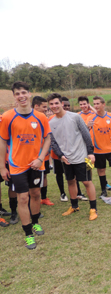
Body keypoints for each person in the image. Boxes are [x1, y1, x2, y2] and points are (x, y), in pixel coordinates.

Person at [0, 82, 51, 250]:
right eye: (17, 94)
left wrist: (40, 158)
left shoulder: (41, 117)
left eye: (23, 92)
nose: (21, 96)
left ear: (29, 94)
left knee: (36, 194)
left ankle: (35, 223)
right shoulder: (7, 117)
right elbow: (2, 141)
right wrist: (2, 166)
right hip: (17, 166)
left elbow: (47, 138)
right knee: (23, 198)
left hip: (36, 165)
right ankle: (28, 233)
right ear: (14, 96)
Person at [47, 93, 98, 220]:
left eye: (56, 103)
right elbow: (53, 142)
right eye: (51, 104)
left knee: (87, 181)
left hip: (82, 156)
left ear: (62, 104)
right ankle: (74, 206)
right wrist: (60, 155)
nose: (54, 106)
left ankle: (93, 209)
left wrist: (90, 152)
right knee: (70, 181)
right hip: (66, 158)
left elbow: (86, 135)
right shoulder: (51, 122)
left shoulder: (75, 117)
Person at [32, 96, 54, 207]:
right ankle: (32, 201)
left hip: (43, 156)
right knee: (31, 180)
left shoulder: (43, 118)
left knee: (44, 176)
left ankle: (44, 198)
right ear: (36, 106)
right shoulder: (28, 118)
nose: (46, 109)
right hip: (32, 158)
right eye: (44, 107)